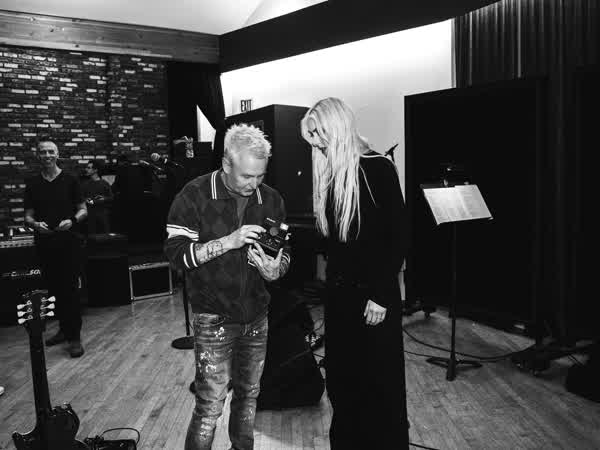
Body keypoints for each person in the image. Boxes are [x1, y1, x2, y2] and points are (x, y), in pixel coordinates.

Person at [164, 124, 291, 450]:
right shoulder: (193, 195)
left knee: (249, 397)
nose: (254, 184)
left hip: (257, 316)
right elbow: (176, 255)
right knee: (209, 406)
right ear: (225, 164)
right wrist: (228, 241)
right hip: (212, 317)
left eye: (260, 175)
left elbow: (284, 253)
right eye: (246, 176)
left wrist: (275, 270)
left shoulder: (271, 199)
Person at [301, 97, 410, 449]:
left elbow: (397, 238)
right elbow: (334, 243)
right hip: (341, 298)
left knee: (379, 385)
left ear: (335, 127)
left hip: (374, 298)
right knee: (342, 383)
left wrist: (380, 294)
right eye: (310, 137)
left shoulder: (378, 169)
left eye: (317, 134)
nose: (314, 143)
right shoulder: (335, 175)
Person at [24, 139, 87, 358]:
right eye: (43, 152)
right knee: (53, 290)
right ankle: (63, 329)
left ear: (57, 154)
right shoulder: (33, 183)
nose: (47, 155)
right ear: (38, 156)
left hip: (68, 243)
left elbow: (83, 210)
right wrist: (34, 224)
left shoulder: (70, 180)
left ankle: (74, 337)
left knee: (70, 290)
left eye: (51, 151)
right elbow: (28, 215)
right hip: (45, 244)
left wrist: (72, 220)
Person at [81, 160, 113, 234]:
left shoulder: (104, 183)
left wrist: (104, 198)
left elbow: (111, 197)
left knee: (104, 235)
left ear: (95, 170)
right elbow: (81, 198)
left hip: (102, 215)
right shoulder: (85, 184)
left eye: (89, 168)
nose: (86, 169)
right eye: (87, 167)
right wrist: (87, 200)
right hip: (90, 216)